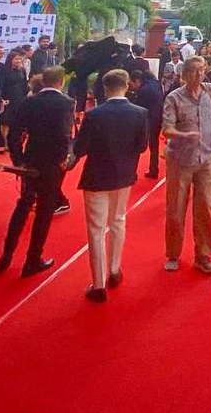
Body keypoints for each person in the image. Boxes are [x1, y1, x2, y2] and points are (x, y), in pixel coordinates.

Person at [72, 70, 148, 303]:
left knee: (96, 230)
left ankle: (98, 284)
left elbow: (80, 148)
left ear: (104, 89)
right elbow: (142, 146)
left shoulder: (94, 115)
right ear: (127, 86)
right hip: (124, 175)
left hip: (97, 176)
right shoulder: (140, 113)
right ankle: (114, 270)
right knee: (118, 221)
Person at [0, 67, 75, 277]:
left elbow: (14, 133)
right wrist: (62, 159)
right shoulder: (66, 103)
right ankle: (32, 259)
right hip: (51, 164)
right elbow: (63, 134)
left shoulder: (28, 102)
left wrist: (18, 159)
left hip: (30, 160)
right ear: (60, 82)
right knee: (44, 211)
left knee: (23, 204)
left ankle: (6, 253)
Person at [162, 56, 211, 274]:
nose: (199, 75)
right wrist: (185, 135)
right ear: (184, 75)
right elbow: (167, 129)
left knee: (205, 206)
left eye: (202, 70)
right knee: (176, 207)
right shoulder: (174, 98)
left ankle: (203, 253)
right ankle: (173, 253)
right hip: (180, 159)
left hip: (208, 156)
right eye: (194, 71)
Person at [0, 51, 29, 158]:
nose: (18, 61)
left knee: (17, 122)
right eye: (16, 59)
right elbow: (1, 86)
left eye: (19, 59)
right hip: (8, 98)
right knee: (6, 121)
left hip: (20, 98)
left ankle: (16, 142)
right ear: (10, 60)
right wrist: (2, 99)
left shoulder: (22, 70)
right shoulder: (4, 71)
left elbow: (25, 85)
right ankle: (6, 143)